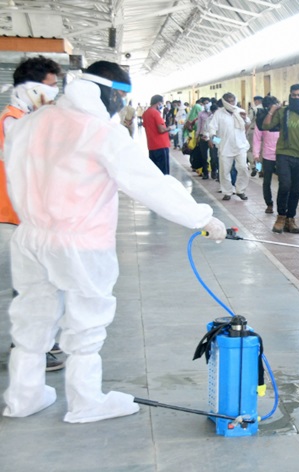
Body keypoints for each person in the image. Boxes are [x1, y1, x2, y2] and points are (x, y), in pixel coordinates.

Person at [2, 60, 226, 423]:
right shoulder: (99, 131)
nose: (121, 105)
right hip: (80, 241)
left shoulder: (30, 123)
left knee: (32, 317)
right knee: (86, 322)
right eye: (121, 97)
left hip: (30, 236)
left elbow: (14, 174)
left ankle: (24, 397)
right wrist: (202, 218)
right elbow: (149, 183)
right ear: (105, 91)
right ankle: (86, 401)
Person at [0, 55, 64, 372]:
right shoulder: (12, 120)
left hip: (29, 215)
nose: (54, 94)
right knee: (28, 285)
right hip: (14, 215)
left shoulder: (27, 117)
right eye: (50, 87)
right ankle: (26, 346)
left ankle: (40, 341)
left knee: (40, 280)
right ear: (30, 88)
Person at [263, 83, 299, 234]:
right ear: (290, 96)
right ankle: (281, 217)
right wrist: (272, 110)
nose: (297, 98)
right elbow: (266, 126)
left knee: (297, 189)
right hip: (284, 154)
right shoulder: (283, 112)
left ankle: (290, 219)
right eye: (294, 95)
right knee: (285, 185)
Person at [208, 92, 251, 201]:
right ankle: (227, 191)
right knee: (224, 171)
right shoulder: (219, 113)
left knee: (243, 168)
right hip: (225, 147)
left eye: (233, 101)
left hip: (240, 146)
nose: (231, 103)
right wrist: (216, 141)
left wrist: (244, 119)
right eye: (229, 101)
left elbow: (248, 124)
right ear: (224, 102)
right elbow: (212, 128)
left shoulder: (240, 111)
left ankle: (240, 190)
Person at [253, 95, 281, 214]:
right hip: (267, 156)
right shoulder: (261, 120)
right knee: (266, 181)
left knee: (284, 182)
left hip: (282, 155)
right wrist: (256, 155)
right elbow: (257, 139)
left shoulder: (282, 117)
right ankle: (269, 204)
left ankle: (281, 204)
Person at [142, 95, 172, 174]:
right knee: (164, 172)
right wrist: (169, 128)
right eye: (162, 103)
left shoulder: (145, 113)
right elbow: (161, 130)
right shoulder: (156, 113)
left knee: (155, 172)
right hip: (161, 145)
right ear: (158, 103)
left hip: (152, 145)